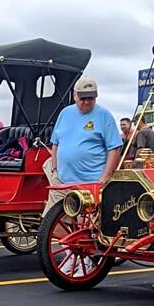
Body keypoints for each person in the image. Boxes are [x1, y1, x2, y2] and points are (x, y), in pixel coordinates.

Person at [45, 76, 122, 211]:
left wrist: (105, 177)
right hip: (62, 181)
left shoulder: (105, 116)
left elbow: (114, 149)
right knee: (51, 223)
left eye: (91, 98)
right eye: (83, 98)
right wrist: (55, 170)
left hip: (91, 184)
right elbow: (56, 143)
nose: (86, 102)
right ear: (75, 96)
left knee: (86, 227)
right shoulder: (65, 113)